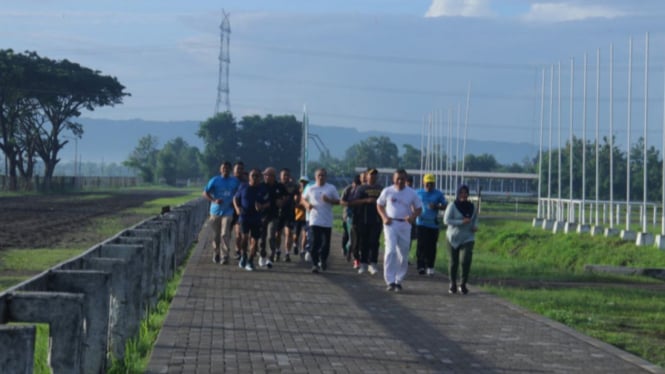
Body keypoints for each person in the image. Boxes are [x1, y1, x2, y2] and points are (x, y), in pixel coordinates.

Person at [376, 169, 422, 292]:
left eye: (402, 178)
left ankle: (398, 280)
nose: (400, 181)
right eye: (398, 178)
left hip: (405, 225)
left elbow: (419, 208)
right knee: (390, 251)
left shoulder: (411, 193)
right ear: (393, 179)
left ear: (405, 179)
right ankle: (389, 280)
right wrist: (384, 217)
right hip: (391, 223)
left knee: (403, 254)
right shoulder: (387, 191)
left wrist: (412, 217)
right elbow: (379, 205)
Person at [301, 168, 340, 273]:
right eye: (319, 175)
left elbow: (338, 201)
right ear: (315, 177)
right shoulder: (311, 188)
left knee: (325, 244)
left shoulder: (331, 188)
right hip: (314, 219)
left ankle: (323, 260)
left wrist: (329, 200)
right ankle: (315, 264)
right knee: (315, 243)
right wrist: (307, 205)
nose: (321, 177)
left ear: (326, 177)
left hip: (327, 220)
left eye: (323, 175)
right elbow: (302, 199)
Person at [203, 161, 240, 265]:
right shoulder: (215, 180)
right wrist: (214, 200)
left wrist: (236, 204)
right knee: (216, 235)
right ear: (220, 169)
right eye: (223, 168)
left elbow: (239, 193)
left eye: (227, 168)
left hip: (228, 211)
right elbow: (205, 192)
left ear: (230, 170)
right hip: (215, 212)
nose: (225, 170)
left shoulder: (235, 181)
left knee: (225, 233)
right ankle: (216, 253)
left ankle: (225, 256)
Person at [443, 184, 478, 295]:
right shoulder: (452, 206)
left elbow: (475, 219)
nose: (463, 195)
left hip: (468, 237)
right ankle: (452, 283)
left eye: (465, 192)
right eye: (461, 192)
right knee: (454, 261)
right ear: (458, 194)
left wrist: (474, 226)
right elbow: (446, 220)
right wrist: (461, 222)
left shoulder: (472, 207)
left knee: (465, 260)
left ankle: (463, 284)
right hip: (453, 237)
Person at [233, 168, 269, 271]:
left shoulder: (262, 189)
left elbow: (268, 202)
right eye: (253, 175)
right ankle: (244, 254)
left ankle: (250, 260)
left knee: (255, 241)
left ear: (260, 178)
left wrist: (262, 206)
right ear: (249, 177)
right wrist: (237, 208)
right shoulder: (243, 186)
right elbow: (235, 198)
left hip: (256, 218)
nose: (255, 178)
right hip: (244, 216)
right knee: (244, 237)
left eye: (257, 176)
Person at [415, 173, 447, 276]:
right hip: (421, 223)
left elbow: (445, 205)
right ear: (423, 182)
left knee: (431, 246)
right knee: (421, 245)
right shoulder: (418, 193)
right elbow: (411, 203)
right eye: (427, 184)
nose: (429, 186)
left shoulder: (438, 194)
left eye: (431, 184)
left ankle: (430, 266)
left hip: (433, 224)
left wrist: (437, 206)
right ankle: (421, 266)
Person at [353, 168, 383, 275]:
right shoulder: (361, 188)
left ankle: (373, 263)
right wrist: (366, 200)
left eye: (375, 175)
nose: (373, 177)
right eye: (371, 175)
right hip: (363, 219)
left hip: (377, 220)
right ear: (367, 176)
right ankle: (363, 263)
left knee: (374, 242)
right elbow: (354, 201)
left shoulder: (380, 189)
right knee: (363, 242)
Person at [258, 166, 287, 268]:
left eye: (268, 175)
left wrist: (281, 202)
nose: (266, 177)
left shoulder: (279, 186)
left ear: (273, 176)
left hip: (274, 215)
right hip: (261, 215)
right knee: (262, 237)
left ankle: (271, 257)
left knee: (271, 236)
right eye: (264, 175)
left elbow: (285, 197)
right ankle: (262, 255)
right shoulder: (260, 186)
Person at [277, 168, 299, 262]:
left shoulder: (293, 186)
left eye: (287, 175)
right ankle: (277, 251)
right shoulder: (276, 186)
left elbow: (297, 196)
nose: (286, 177)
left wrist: (296, 200)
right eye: (284, 175)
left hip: (289, 213)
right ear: (280, 176)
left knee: (289, 233)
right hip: (278, 213)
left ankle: (287, 253)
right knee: (277, 234)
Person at [339, 174, 361, 262]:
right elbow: (341, 201)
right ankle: (345, 248)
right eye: (356, 184)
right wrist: (350, 204)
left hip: (358, 217)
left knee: (355, 237)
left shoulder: (361, 190)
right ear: (353, 183)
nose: (356, 186)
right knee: (347, 235)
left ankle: (351, 251)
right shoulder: (348, 189)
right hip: (348, 216)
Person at [231, 161, 246, 259]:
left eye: (241, 169)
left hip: (240, 210)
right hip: (228, 210)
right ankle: (223, 252)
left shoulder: (246, 182)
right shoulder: (229, 181)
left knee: (239, 233)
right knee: (225, 233)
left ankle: (238, 251)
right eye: (238, 169)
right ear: (234, 171)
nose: (239, 171)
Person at [292, 176, 309, 257]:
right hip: (297, 216)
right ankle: (295, 244)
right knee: (296, 235)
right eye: (302, 182)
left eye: (305, 182)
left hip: (306, 217)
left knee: (305, 234)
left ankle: (302, 250)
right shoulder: (297, 192)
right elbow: (296, 204)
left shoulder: (309, 192)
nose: (303, 183)